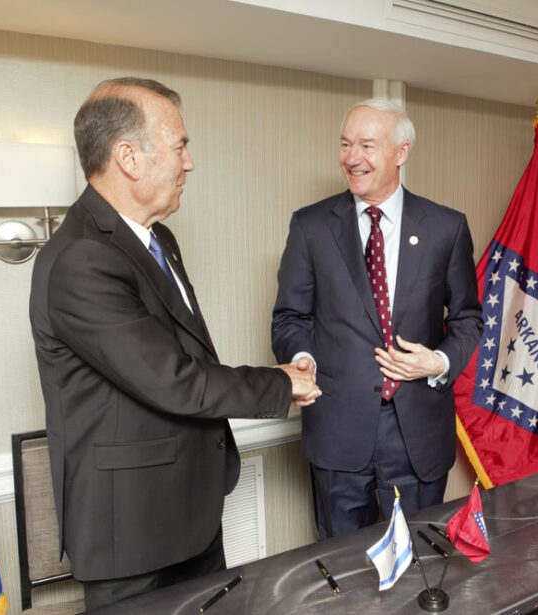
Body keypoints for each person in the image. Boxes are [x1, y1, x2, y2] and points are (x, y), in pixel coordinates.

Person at [29, 77, 320, 610]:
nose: (190, 163)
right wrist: (279, 382)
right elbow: (173, 379)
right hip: (132, 534)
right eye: (180, 145)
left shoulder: (157, 238)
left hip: (189, 512)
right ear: (129, 157)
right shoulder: (81, 260)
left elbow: (187, 356)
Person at [271, 99, 483, 539]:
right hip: (337, 430)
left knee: (417, 561)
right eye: (346, 144)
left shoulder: (447, 228)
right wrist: (302, 357)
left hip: (418, 434)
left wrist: (439, 363)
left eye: (367, 145)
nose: (351, 157)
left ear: (400, 152)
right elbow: (290, 317)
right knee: (342, 569)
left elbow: (467, 319)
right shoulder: (311, 227)